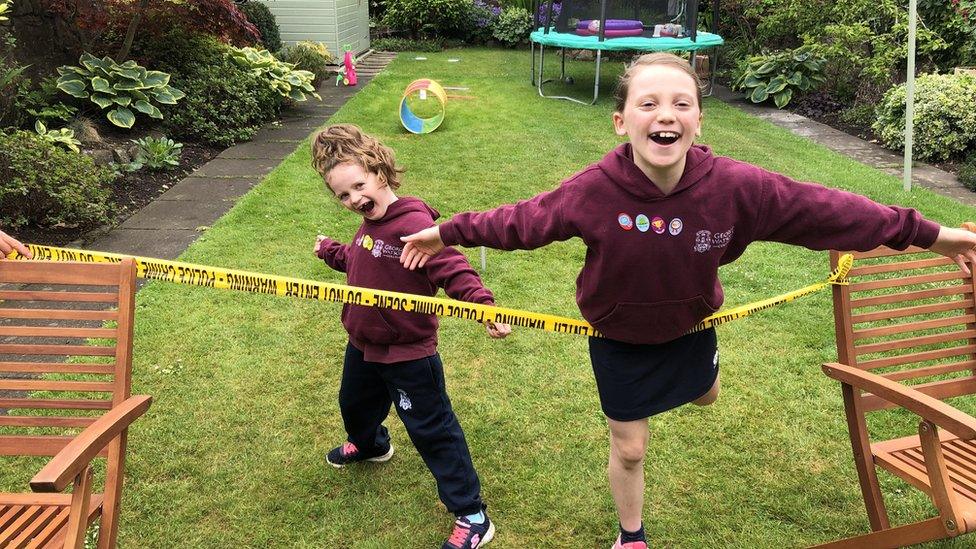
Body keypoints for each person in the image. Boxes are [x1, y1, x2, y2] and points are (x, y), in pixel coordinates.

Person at [398, 53, 976, 548]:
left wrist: (938, 237)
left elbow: (832, 211)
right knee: (629, 450)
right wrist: (445, 233)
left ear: (699, 119)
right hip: (618, 337)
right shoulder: (592, 191)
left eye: (681, 102)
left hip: (691, 326)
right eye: (648, 104)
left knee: (704, 396)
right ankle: (631, 533)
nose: (666, 114)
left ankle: (702, 377)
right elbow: (521, 221)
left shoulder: (736, 188)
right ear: (621, 121)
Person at [311, 124, 510, 549]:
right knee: (354, 405)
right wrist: (331, 251)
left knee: (432, 429)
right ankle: (370, 444)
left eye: (359, 187)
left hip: (407, 355)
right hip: (363, 344)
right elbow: (361, 262)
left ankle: (471, 514)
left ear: (379, 172)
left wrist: (482, 304)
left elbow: (452, 268)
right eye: (342, 195)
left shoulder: (414, 224)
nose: (354, 201)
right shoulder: (369, 223)